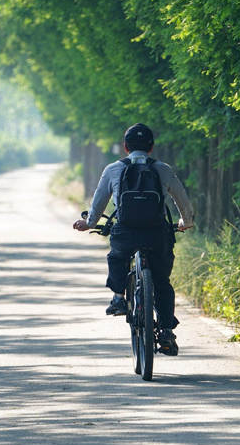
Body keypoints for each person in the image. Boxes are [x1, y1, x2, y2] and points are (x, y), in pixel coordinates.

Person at [73, 123, 194, 355]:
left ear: (126, 147)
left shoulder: (113, 169)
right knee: (161, 280)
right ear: (151, 148)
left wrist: (88, 223)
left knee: (117, 256)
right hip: (157, 233)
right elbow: (182, 199)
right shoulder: (162, 168)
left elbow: (98, 203)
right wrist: (185, 223)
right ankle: (166, 329)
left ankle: (118, 297)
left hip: (126, 232)